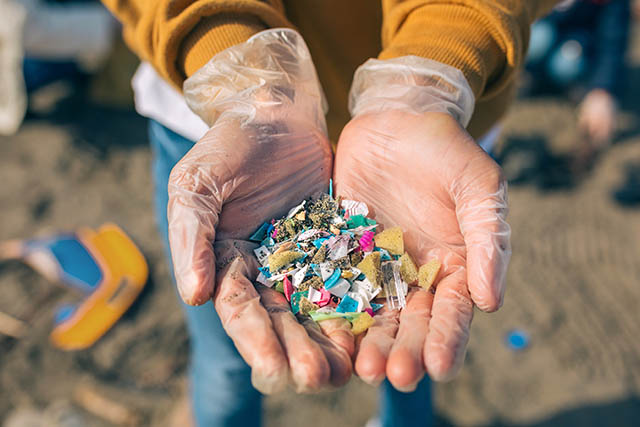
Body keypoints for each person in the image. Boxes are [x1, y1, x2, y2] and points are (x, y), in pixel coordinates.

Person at [100, 1, 557, 426]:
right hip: (224, 119)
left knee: (410, 356)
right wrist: (236, 72)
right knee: (225, 355)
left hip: (435, 128)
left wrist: (432, 74)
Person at [524, 0, 630, 150]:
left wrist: (602, 90)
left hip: (578, 43)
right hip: (545, 29)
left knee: (566, 64)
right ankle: (529, 76)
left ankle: (557, 84)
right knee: (537, 39)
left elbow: (613, 42)